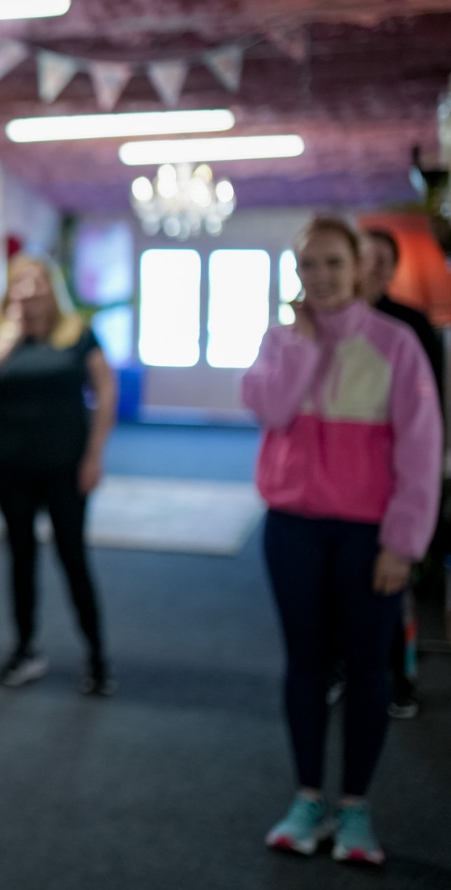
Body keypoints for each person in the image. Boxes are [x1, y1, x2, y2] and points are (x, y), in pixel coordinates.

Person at [244, 217, 439, 867]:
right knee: (303, 665)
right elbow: (269, 409)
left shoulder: (396, 343)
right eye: (308, 266)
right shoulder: (280, 339)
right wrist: (300, 348)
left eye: (332, 264)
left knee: (367, 670)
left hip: (369, 535)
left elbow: (421, 450)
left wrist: (403, 543)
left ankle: (354, 808)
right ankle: (307, 800)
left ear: (358, 269)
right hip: (293, 527)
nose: (320, 277)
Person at [0, 254, 115, 695]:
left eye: (37, 283)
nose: (29, 291)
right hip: (11, 465)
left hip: (66, 465)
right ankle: (25, 648)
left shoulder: (77, 336)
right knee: (21, 558)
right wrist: (12, 332)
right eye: (19, 284)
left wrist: (95, 454)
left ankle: (97, 656)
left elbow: (105, 391)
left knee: (72, 557)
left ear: (53, 288)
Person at [361, 227, 443, 720]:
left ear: (391, 270)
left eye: (379, 262)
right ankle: (340, 669)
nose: (370, 271)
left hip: (395, 480)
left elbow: (428, 412)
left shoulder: (411, 324)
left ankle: (402, 676)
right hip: (341, 486)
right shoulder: (330, 324)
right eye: (363, 260)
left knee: (393, 591)